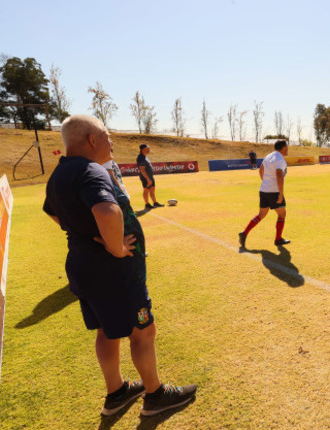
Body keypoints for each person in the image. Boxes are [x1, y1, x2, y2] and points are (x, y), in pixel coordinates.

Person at [43, 115, 196, 417]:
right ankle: (156, 396)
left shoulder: (60, 174)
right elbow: (107, 210)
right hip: (113, 271)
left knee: (106, 330)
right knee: (143, 330)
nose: (111, 142)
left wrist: (84, 232)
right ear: (91, 140)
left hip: (82, 264)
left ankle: (116, 392)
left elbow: (52, 212)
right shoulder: (92, 171)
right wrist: (115, 246)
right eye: (107, 135)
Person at [239, 140, 291, 247]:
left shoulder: (268, 156)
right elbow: (279, 175)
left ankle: (244, 233)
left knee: (261, 215)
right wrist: (280, 194)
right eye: (287, 147)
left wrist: (265, 182)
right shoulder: (280, 159)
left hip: (264, 190)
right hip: (274, 191)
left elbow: (260, 170)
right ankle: (278, 240)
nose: (288, 149)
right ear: (283, 148)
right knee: (282, 214)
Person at [137, 144, 164, 210]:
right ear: (143, 149)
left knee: (152, 189)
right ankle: (147, 204)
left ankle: (155, 203)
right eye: (147, 148)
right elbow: (142, 169)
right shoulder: (140, 157)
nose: (149, 149)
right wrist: (148, 179)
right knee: (146, 190)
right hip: (145, 177)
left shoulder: (145, 156)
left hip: (150, 176)